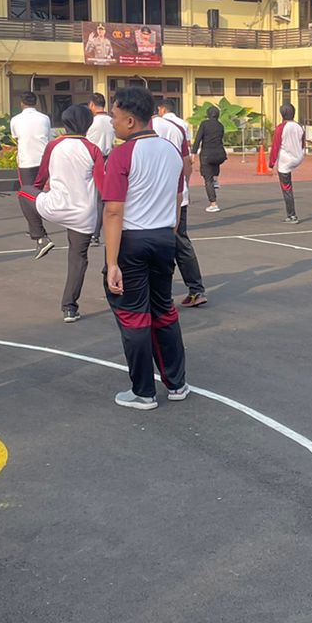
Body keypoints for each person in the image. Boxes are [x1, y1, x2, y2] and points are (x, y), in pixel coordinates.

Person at [100, 85, 189, 410]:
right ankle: (176, 383)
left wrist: (112, 262)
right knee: (163, 310)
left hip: (133, 241)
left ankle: (143, 391)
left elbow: (113, 210)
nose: (112, 123)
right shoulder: (171, 151)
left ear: (129, 120)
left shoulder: (122, 155)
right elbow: (177, 200)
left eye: (114, 117)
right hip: (164, 237)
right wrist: (168, 236)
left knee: (134, 315)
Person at [35, 103, 105, 324]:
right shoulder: (93, 150)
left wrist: (38, 194)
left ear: (65, 123)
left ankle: (39, 236)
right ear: (88, 124)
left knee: (24, 193)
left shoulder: (54, 145)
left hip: (56, 206)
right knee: (78, 258)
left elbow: (40, 178)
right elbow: (102, 186)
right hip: (83, 213)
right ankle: (69, 307)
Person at [152, 99, 208, 309]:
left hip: (155, 196)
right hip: (177, 194)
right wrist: (184, 187)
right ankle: (196, 289)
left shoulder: (144, 129)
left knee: (151, 243)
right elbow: (187, 163)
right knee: (180, 241)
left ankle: (159, 293)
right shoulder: (177, 128)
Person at [10, 92, 55, 258]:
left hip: (27, 162)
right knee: (37, 194)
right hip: (44, 160)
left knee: (26, 196)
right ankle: (34, 228)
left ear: (22, 103)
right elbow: (48, 136)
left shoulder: (16, 120)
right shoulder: (44, 118)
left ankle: (40, 235)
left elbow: (16, 138)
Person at [270, 103, 305, 223]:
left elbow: (275, 146)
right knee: (287, 182)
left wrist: (271, 164)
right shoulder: (299, 126)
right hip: (298, 157)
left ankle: (292, 215)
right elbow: (302, 143)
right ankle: (291, 215)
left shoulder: (281, 127)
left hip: (286, 161)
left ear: (282, 114)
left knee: (287, 188)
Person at [191, 105, 227, 212]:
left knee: (207, 179)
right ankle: (215, 178)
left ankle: (213, 203)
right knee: (214, 167)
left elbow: (198, 139)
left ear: (208, 114)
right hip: (220, 154)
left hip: (207, 154)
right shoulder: (220, 125)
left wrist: (193, 153)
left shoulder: (204, 124)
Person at [87, 92, 116, 158]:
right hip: (109, 158)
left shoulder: (90, 122)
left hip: (93, 158)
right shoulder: (112, 121)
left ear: (91, 104)